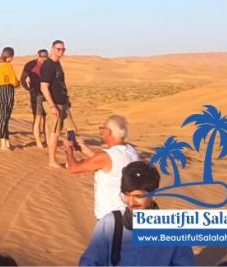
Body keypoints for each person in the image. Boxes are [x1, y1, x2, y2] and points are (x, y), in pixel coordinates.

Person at [78, 161, 195, 266]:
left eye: (138, 196)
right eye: (126, 195)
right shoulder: (111, 224)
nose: (131, 202)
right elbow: (89, 261)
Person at [64, 115, 141, 219]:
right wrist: (84, 149)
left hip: (111, 217)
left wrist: (68, 149)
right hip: (129, 214)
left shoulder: (107, 156)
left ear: (108, 132)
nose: (101, 132)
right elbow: (109, 163)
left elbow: (73, 168)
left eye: (102, 129)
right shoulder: (131, 151)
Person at [40, 39, 77, 168]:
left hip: (63, 103)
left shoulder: (58, 65)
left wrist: (66, 99)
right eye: (58, 49)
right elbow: (44, 87)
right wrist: (52, 105)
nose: (61, 52)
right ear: (52, 49)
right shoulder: (47, 65)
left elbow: (61, 84)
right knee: (55, 133)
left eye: (63, 49)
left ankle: (69, 159)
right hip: (53, 103)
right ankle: (52, 160)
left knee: (71, 129)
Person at [20, 49, 49, 148]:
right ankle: (38, 142)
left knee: (47, 118)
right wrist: (29, 89)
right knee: (38, 117)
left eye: (45, 57)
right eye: (42, 57)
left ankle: (47, 140)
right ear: (38, 56)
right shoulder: (30, 65)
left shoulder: (49, 65)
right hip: (36, 94)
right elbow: (22, 78)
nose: (43, 60)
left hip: (48, 95)